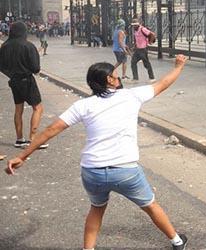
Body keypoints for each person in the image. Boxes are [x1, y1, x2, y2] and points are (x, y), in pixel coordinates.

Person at [5, 54, 191, 250]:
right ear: (109, 80)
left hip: (93, 171)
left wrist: (22, 156)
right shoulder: (131, 96)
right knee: (151, 206)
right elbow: (163, 84)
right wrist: (178, 66)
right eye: (115, 75)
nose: (118, 78)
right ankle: (177, 242)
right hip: (125, 170)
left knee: (97, 209)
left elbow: (51, 130)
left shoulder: (83, 105)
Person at [0, 21, 47, 149]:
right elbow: (35, 68)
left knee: (18, 108)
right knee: (38, 108)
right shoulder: (28, 46)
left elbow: (2, 66)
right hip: (27, 79)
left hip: (14, 81)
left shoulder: (5, 46)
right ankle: (33, 139)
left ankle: (20, 139)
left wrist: (11, 74)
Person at [130, 18, 155, 82]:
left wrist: (150, 42)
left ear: (138, 24)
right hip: (138, 49)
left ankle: (152, 78)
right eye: (133, 25)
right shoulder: (135, 30)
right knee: (133, 62)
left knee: (146, 64)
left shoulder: (142, 29)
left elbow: (152, 34)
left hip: (143, 49)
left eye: (135, 25)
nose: (134, 26)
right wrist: (135, 46)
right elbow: (138, 39)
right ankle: (135, 78)